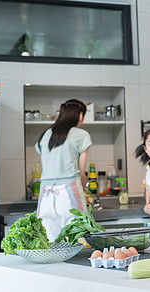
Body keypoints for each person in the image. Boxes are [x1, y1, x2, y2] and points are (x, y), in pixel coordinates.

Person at [35, 99, 92, 241]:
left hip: (46, 193)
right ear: (80, 115)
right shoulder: (82, 135)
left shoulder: (45, 135)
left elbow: (45, 169)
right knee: (75, 239)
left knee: (48, 240)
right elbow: (81, 172)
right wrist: (82, 192)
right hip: (69, 191)